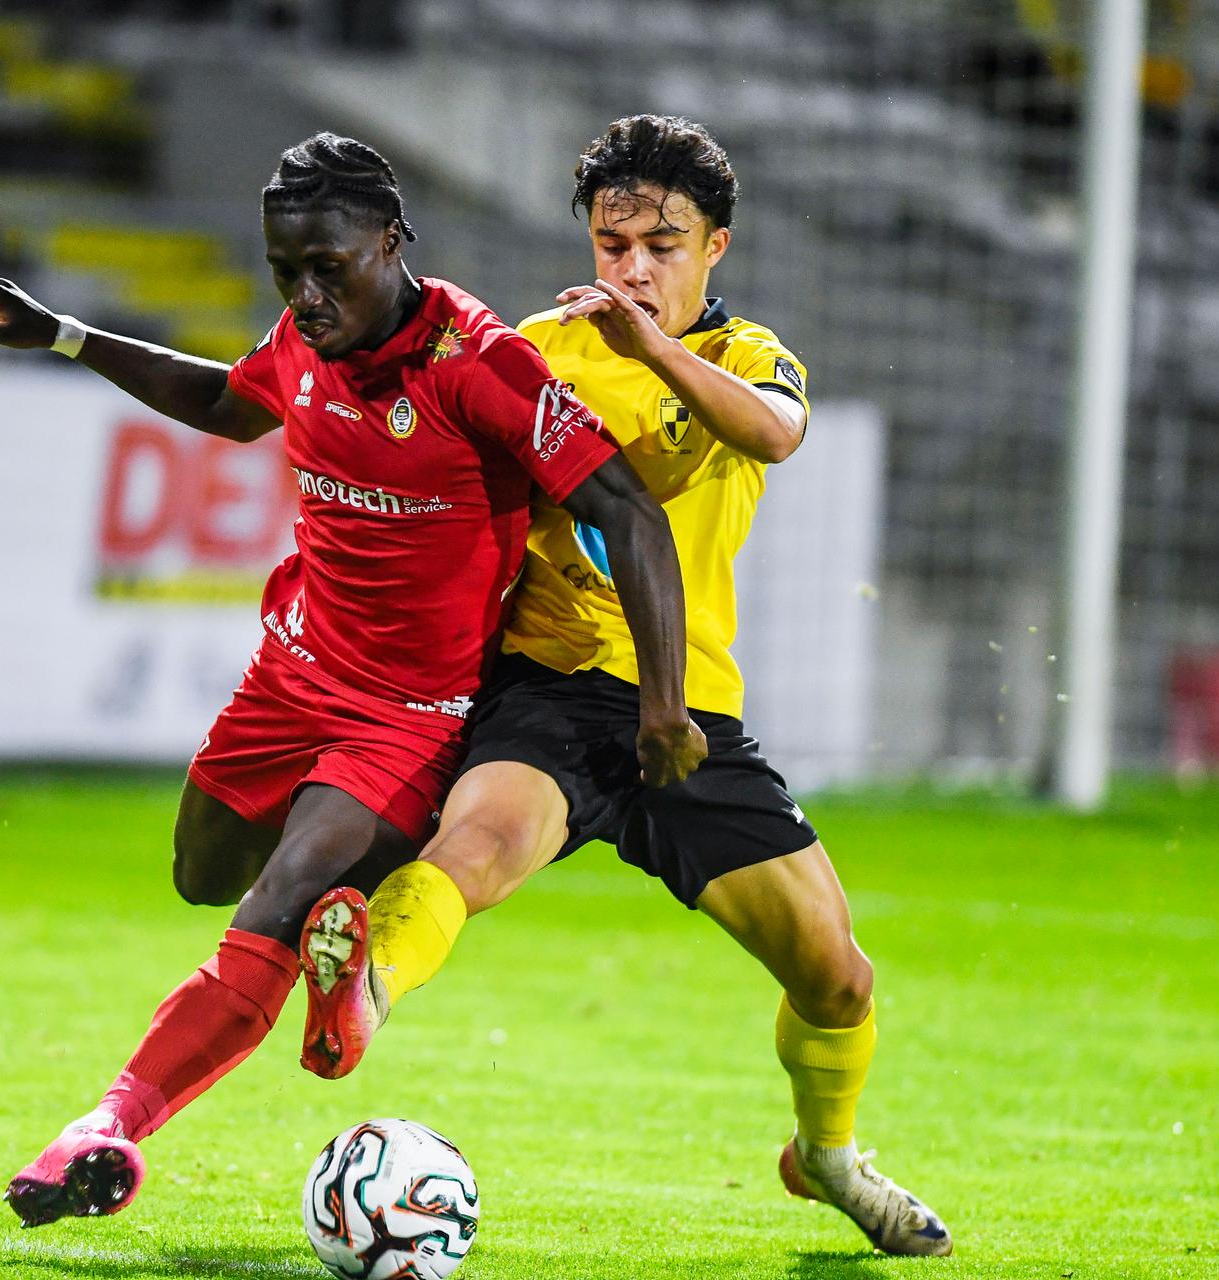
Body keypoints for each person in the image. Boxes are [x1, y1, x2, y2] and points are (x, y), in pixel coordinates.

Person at [0, 131, 706, 1228]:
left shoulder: (478, 363)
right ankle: (329, 921)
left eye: (328, 267)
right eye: (285, 269)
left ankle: (104, 1129)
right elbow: (231, 404)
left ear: (391, 244)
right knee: (205, 870)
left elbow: (628, 505)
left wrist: (665, 703)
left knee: (274, 903)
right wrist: (61, 333)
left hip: (409, 717)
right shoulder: (303, 337)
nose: (304, 293)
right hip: (290, 677)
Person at [295, 116, 953, 1257]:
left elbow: (778, 435)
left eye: (662, 243)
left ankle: (828, 1156)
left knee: (838, 979)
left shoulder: (748, 356)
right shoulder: (536, 349)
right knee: (478, 848)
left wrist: (652, 349)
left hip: (692, 713)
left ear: (717, 248)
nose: (633, 268)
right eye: (613, 245)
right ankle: (363, 992)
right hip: (550, 687)